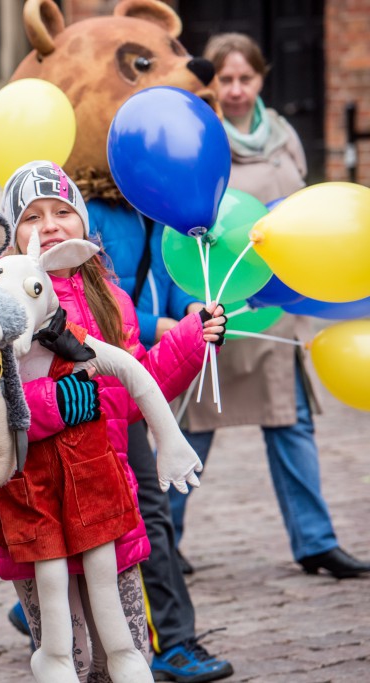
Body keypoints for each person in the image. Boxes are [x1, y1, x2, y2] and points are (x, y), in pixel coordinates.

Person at [0, 161, 226, 682]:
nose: (50, 225)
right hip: (37, 508)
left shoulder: (112, 300)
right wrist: (57, 402)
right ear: (11, 234)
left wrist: (189, 340)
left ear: (83, 221)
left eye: (62, 212)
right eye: (31, 216)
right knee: (65, 651)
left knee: (124, 650)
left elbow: (135, 391)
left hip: (102, 499)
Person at [168, 32, 370, 581]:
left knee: (292, 423)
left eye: (245, 79)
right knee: (192, 428)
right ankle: (165, 537)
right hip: (223, 304)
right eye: (225, 80)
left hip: (279, 308)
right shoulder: (201, 141)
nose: (235, 91)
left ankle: (317, 541)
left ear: (262, 79)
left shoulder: (285, 136)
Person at [86, 169, 237, 679]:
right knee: (94, 522)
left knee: (150, 513)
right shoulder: (91, 210)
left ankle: (174, 640)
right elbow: (97, 299)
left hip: (136, 382)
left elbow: (172, 282)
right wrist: (158, 327)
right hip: (95, 380)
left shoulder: (168, 211)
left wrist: (193, 311)